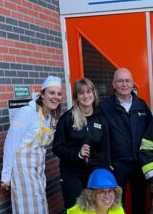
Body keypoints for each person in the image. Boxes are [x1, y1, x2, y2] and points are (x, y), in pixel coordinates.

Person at [1, 76, 63, 213]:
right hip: (22, 170)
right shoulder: (27, 112)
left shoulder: (50, 116)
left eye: (59, 94)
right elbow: (10, 144)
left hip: (38, 170)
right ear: (42, 94)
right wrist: (5, 176)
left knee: (39, 206)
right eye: (51, 93)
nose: (56, 97)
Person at [99, 68, 153, 214]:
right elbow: (99, 137)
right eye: (120, 81)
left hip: (139, 164)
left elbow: (151, 133)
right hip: (116, 165)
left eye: (127, 81)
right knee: (115, 204)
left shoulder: (141, 105)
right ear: (113, 84)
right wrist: (106, 163)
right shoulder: (104, 107)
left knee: (139, 203)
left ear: (132, 83)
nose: (124, 84)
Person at [53, 78, 110, 210]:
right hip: (71, 173)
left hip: (95, 172)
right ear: (76, 97)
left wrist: (105, 174)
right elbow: (57, 147)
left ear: (94, 93)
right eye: (81, 93)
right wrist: (77, 154)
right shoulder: (67, 119)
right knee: (77, 209)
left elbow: (105, 150)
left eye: (89, 91)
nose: (86, 96)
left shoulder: (101, 118)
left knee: (96, 209)